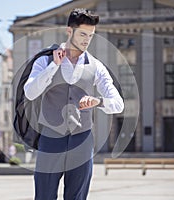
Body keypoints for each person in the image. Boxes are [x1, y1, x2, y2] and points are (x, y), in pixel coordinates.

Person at [24, 8, 124, 200]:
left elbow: (118, 103)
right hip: (51, 138)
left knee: (77, 197)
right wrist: (54, 66)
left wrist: (99, 101)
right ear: (69, 31)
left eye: (91, 35)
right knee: (44, 195)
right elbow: (30, 93)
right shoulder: (45, 60)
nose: (87, 40)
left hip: (82, 140)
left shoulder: (96, 66)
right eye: (83, 34)